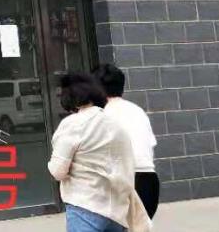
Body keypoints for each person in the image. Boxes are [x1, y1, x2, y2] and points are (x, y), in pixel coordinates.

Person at [47, 72, 146, 232]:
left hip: (85, 205)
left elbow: (58, 171)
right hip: (117, 211)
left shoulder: (72, 124)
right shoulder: (116, 125)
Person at [93, 63, 160, 218]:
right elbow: (150, 146)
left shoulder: (100, 115)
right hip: (149, 182)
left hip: (121, 183)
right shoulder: (138, 111)